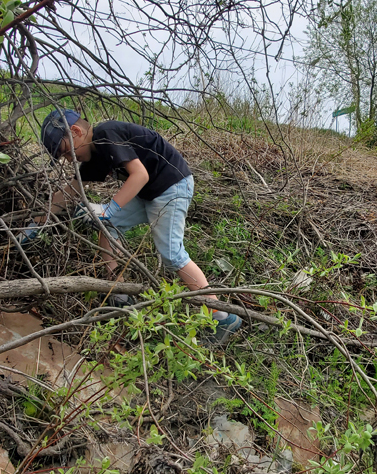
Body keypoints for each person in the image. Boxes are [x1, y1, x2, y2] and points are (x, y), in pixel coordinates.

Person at [23, 108, 242, 344]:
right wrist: (38, 223)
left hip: (172, 186)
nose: (69, 159)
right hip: (149, 193)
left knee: (172, 254)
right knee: (108, 228)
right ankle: (119, 295)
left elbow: (140, 175)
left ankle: (222, 317)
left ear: (76, 131)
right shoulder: (93, 155)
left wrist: (109, 209)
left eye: (66, 152)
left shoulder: (106, 134)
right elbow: (70, 192)